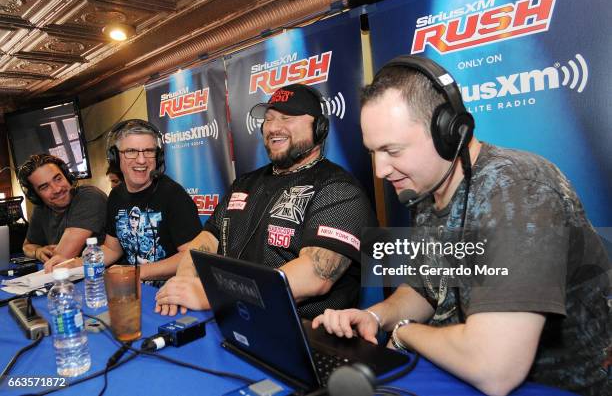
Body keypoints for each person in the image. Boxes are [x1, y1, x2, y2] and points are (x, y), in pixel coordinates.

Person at [311, 56, 610, 396]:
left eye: (392, 150)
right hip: (454, 377)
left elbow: (494, 369)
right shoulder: (423, 189)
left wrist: (405, 332)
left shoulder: (518, 191)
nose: (380, 170)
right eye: (373, 152)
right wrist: (377, 317)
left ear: (448, 133)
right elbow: (426, 287)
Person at [155, 83, 377, 319]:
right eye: (269, 119)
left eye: (287, 118)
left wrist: (214, 293)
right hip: (235, 318)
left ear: (319, 129)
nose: (273, 127)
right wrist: (184, 282)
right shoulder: (244, 183)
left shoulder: (338, 189)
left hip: (308, 334)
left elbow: (315, 276)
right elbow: (206, 241)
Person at [45, 119, 202, 283]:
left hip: (171, 292)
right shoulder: (116, 196)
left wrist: (135, 272)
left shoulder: (174, 195)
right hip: (131, 287)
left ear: (158, 157)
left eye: (149, 151)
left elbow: (191, 256)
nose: (141, 160)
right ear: (115, 158)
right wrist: (75, 264)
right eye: (131, 151)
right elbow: (112, 249)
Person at [17, 154, 107, 270]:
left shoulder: (90, 197)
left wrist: (44, 253)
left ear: (67, 177)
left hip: (98, 277)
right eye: (45, 187)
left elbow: (60, 258)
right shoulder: (41, 209)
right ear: (36, 196)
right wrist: (38, 251)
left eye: (58, 179)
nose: (57, 189)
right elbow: (27, 246)